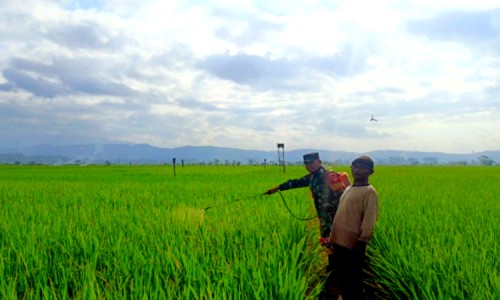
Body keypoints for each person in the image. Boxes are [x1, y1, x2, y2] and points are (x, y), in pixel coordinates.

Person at [327, 155, 379, 300]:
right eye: (354, 166)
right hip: (339, 244)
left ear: (370, 172)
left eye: (362, 168)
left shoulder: (369, 192)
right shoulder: (349, 188)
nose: (357, 170)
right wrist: (332, 239)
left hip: (353, 247)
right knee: (343, 282)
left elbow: (369, 220)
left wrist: (362, 243)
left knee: (353, 285)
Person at [265, 152, 344, 239]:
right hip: (324, 220)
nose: (309, 165)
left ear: (319, 161)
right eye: (306, 163)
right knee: (326, 242)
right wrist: (276, 188)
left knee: (339, 242)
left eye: (311, 162)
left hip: (337, 219)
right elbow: (295, 182)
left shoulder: (331, 176)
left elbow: (344, 198)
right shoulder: (311, 178)